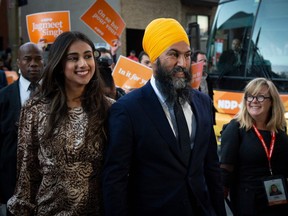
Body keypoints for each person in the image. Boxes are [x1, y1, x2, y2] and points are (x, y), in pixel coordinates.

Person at [103, 18, 226, 216]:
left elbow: (211, 167)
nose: (183, 63)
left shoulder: (202, 102)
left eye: (187, 55)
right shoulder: (128, 109)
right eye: (173, 55)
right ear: (154, 59)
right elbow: (115, 180)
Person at [7, 31, 113, 215]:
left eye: (88, 56)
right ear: (59, 63)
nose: (83, 64)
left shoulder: (110, 109)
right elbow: (27, 175)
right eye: (73, 58)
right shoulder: (35, 109)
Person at [220, 77, 288, 215]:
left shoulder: (279, 130)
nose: (254, 101)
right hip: (249, 200)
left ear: (272, 102)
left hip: (278, 198)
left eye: (260, 97)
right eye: (250, 97)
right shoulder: (236, 128)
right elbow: (225, 168)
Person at [0, 42, 44, 216]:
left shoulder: (56, 96)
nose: (33, 63)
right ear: (18, 62)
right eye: (27, 59)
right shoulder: (3, 98)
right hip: (12, 184)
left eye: (38, 59)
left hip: (47, 186)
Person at [191, 50, 216, 124]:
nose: (204, 64)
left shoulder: (208, 78)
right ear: (193, 63)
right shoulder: (189, 80)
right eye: (201, 61)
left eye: (206, 61)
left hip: (207, 116)